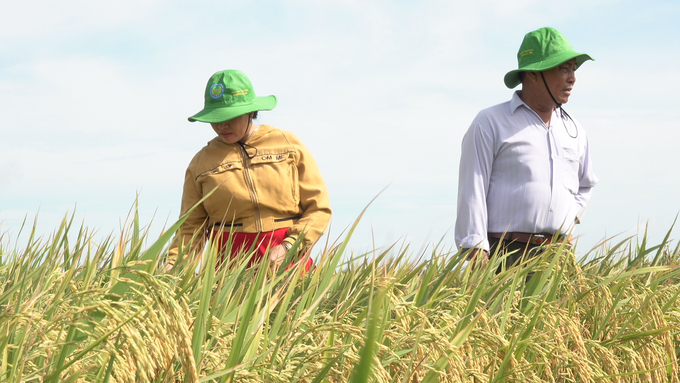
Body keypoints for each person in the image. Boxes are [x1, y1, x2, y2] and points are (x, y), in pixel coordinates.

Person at [455, 27, 598, 269]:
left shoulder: (575, 131)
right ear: (533, 73)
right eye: (563, 68)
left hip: (557, 256)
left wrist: (570, 219)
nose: (572, 77)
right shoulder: (491, 122)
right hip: (503, 253)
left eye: (573, 68)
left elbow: (586, 184)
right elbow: (472, 187)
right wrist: (476, 246)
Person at [167, 69, 332, 272]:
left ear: (250, 112)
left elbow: (319, 208)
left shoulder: (288, 144)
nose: (221, 125)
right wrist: (172, 267)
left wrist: (289, 246)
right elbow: (190, 228)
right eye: (215, 118)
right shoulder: (201, 163)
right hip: (229, 272)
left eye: (231, 116)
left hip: (288, 262)